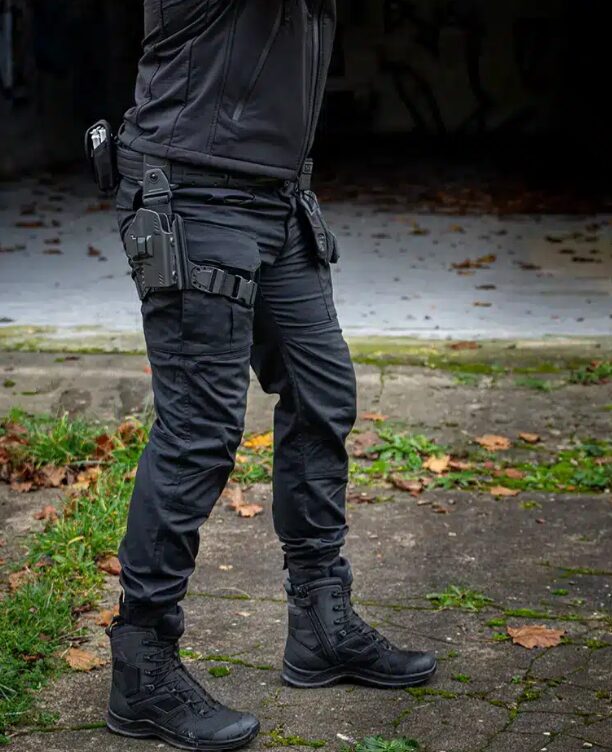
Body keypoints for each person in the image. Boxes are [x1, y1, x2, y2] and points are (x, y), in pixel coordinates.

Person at [106, 2, 436, 749]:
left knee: (324, 395)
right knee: (199, 431)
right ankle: (142, 663)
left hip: (276, 194)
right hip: (193, 194)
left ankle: (320, 623)